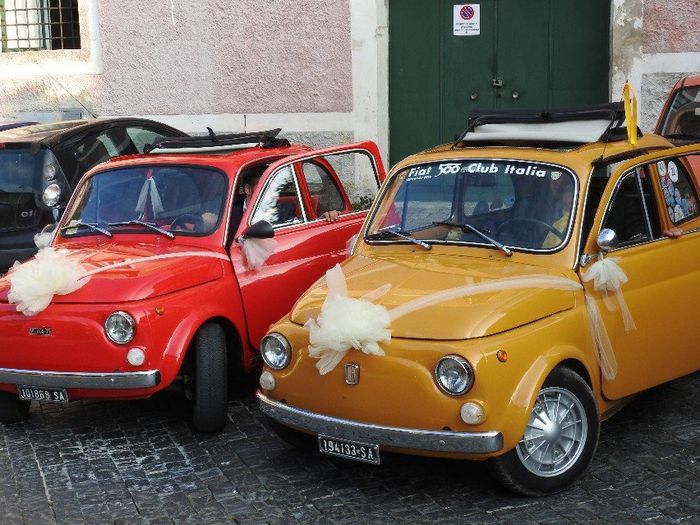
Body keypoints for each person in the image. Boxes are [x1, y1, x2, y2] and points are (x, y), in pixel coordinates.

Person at [230, 165, 340, 234]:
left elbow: (302, 231)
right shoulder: (230, 214)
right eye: (264, 187)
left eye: (273, 187)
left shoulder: (286, 211)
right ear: (248, 189)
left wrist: (324, 218)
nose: (271, 193)